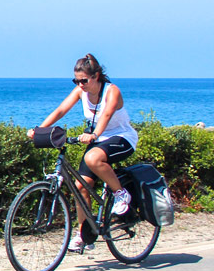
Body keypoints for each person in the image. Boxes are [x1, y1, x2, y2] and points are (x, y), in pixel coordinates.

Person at [29, 53, 139, 252]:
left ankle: (121, 194)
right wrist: (40, 130)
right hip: (99, 140)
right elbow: (61, 110)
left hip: (122, 138)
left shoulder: (111, 91)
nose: (80, 85)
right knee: (81, 186)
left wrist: (94, 134)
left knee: (92, 157)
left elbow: (106, 115)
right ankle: (84, 234)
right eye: (76, 81)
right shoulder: (80, 91)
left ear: (96, 76)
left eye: (84, 80)